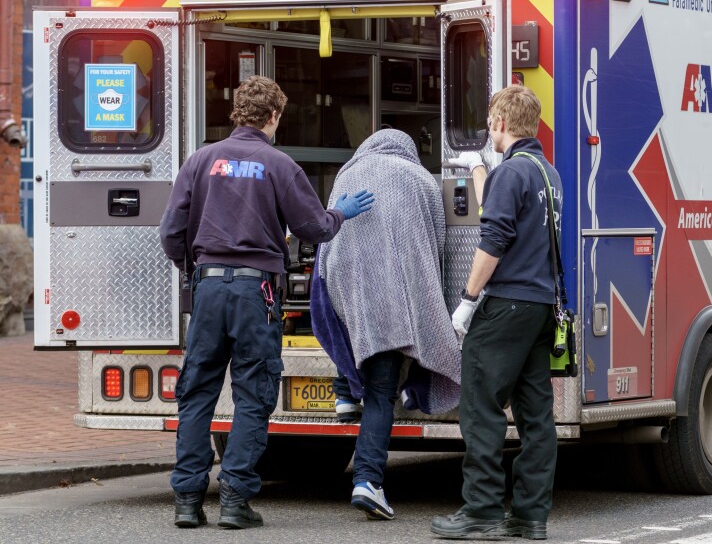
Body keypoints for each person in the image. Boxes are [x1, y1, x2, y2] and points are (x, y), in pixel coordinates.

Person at [159, 75, 374, 530]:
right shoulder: (278, 165)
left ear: (238, 112)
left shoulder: (200, 161)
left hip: (208, 287)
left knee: (197, 392)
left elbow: (170, 232)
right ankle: (235, 501)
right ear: (274, 116)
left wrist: (194, 271)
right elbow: (314, 227)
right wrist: (341, 213)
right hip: (256, 291)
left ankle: (187, 501)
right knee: (254, 394)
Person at [431, 84, 562, 541]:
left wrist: (467, 300)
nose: (488, 131)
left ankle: (481, 509)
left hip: (505, 305)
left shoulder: (513, 174)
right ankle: (530, 516)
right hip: (540, 307)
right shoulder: (546, 173)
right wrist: (480, 172)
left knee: (481, 407)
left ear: (501, 124)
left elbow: (493, 239)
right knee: (535, 417)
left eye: (489, 125)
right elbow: (502, 210)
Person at [310, 128, 462, 521]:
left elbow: (327, 238)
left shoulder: (347, 173)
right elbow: (437, 246)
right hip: (394, 297)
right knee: (381, 392)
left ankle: (345, 393)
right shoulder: (420, 180)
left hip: (347, 286)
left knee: (347, 333)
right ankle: (368, 481)